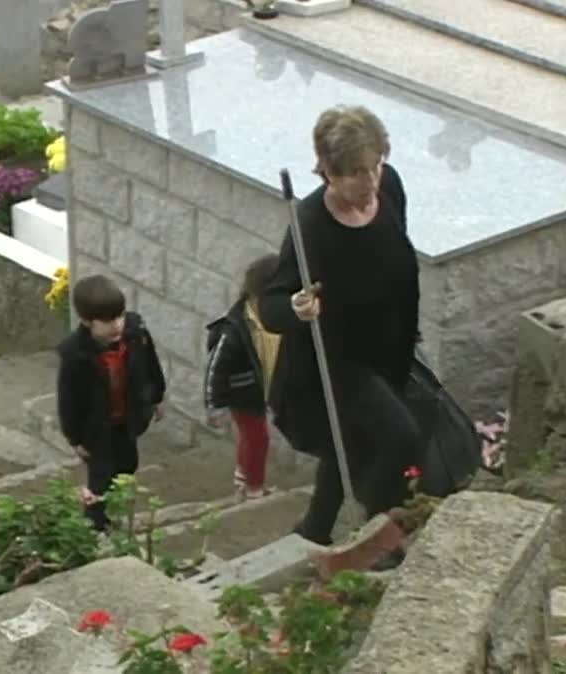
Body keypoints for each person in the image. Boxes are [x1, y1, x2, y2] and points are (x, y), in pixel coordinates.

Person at [258, 104, 422, 569]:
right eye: (355, 173)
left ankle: (314, 528)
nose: (370, 182)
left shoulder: (390, 189)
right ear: (328, 172)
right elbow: (272, 304)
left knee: (351, 443)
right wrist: (297, 307)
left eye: (375, 166)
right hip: (339, 361)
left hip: (389, 347)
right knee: (399, 437)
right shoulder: (311, 226)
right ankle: (376, 536)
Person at [56, 274, 166, 531]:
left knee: (128, 465)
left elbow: (151, 365)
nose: (117, 325)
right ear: (87, 321)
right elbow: (68, 399)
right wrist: (75, 439)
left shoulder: (136, 333)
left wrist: (157, 396)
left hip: (129, 417)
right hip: (97, 428)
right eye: (107, 321)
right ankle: (96, 523)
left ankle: (119, 512)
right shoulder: (75, 354)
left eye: (119, 316)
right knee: (101, 476)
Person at [203, 254, 283, 500]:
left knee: (250, 438)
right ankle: (254, 489)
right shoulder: (235, 330)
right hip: (244, 394)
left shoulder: (277, 320)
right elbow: (215, 369)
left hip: (264, 390)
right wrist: (214, 405)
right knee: (259, 439)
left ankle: (242, 476)